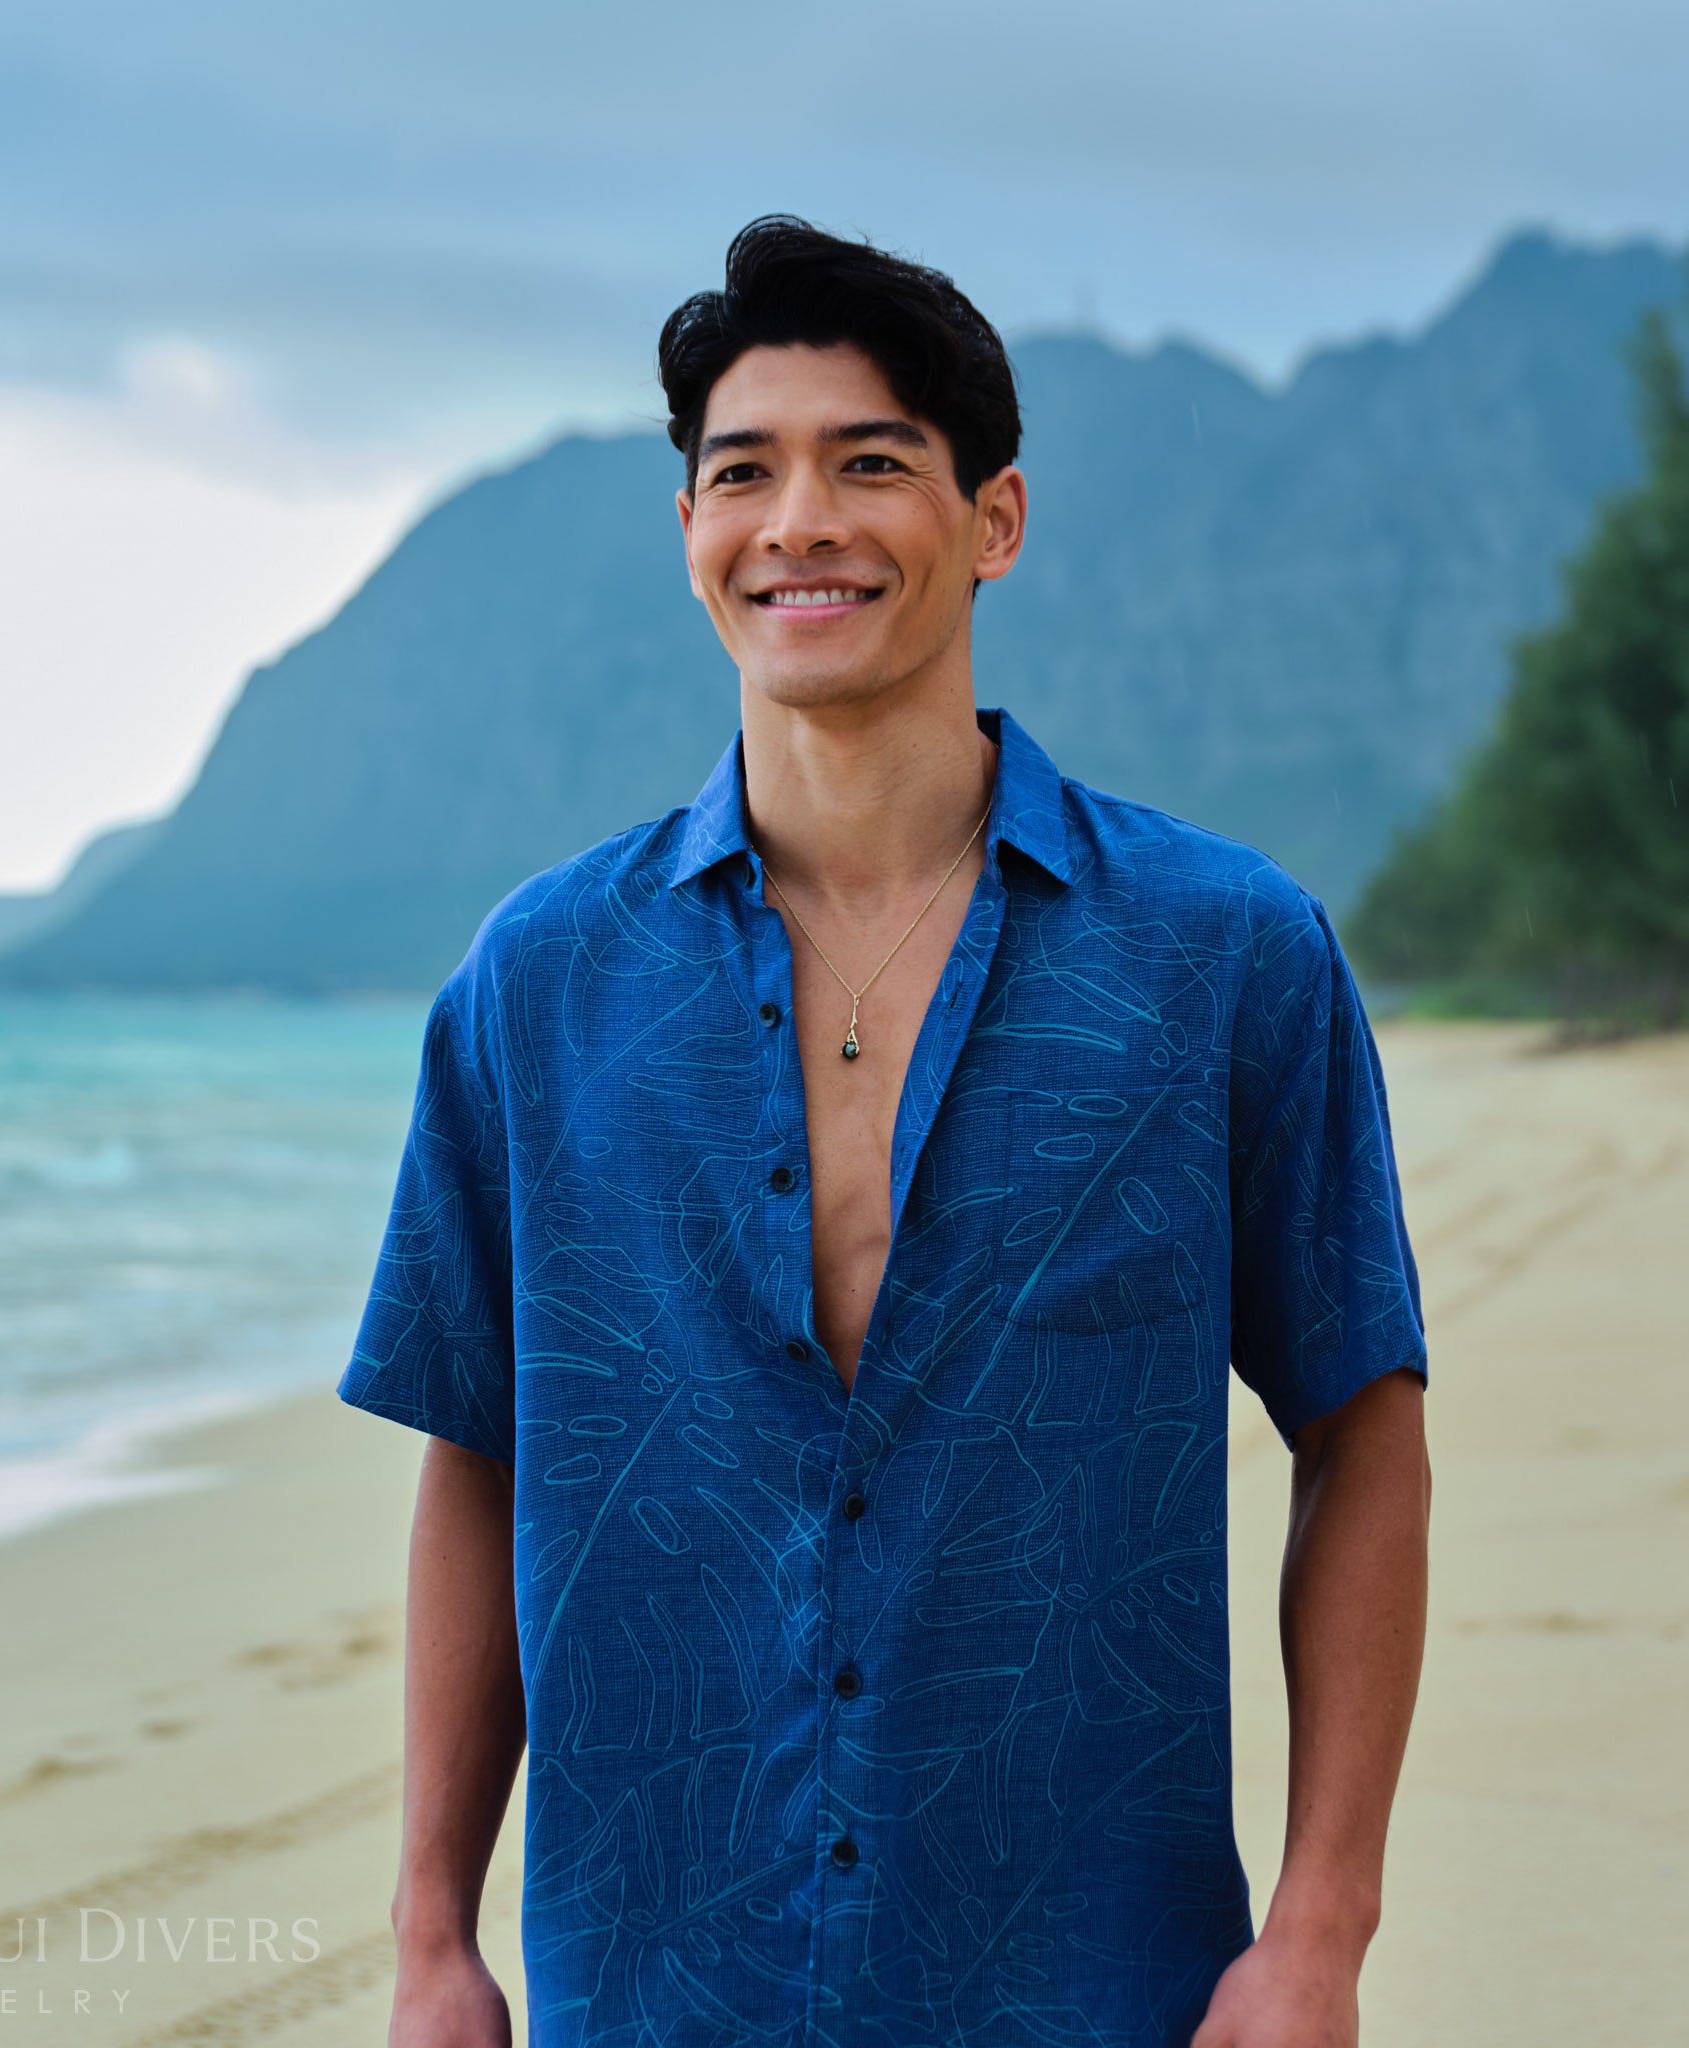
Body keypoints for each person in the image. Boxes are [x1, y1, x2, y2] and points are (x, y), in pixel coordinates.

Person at [341, 215, 1431, 2048]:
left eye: (871, 464)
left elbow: (1363, 1422)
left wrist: (1322, 1927)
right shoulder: (538, 984)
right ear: (688, 533)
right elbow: (481, 1455)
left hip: (1098, 1983)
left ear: (992, 521)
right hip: (654, 1980)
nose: (800, 523)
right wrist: (431, 1938)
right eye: (741, 473)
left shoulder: (1221, 952)